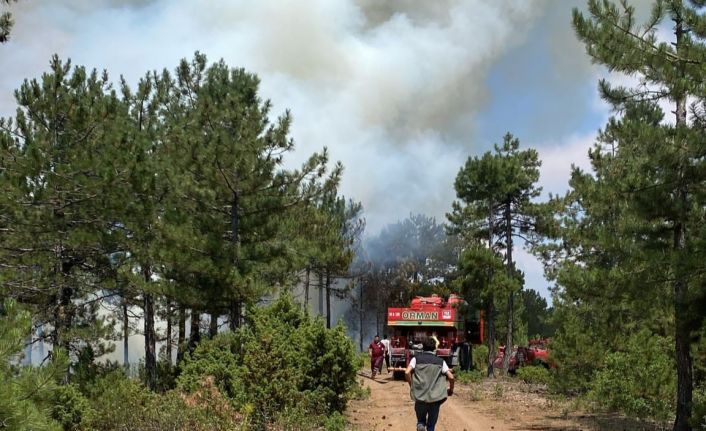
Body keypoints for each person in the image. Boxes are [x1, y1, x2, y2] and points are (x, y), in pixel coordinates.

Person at [405, 337, 454, 431]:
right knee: (431, 426)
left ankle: (421, 426)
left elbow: (407, 372)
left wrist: (412, 386)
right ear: (434, 348)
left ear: (423, 347)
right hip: (435, 399)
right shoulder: (440, 361)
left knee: (420, 421)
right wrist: (451, 390)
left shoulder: (416, 359)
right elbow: (451, 377)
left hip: (420, 397)